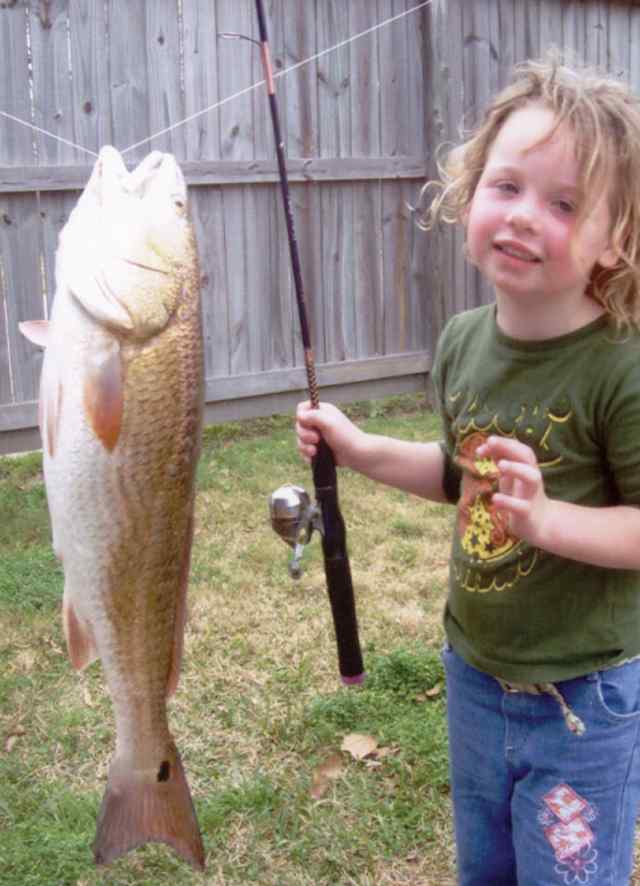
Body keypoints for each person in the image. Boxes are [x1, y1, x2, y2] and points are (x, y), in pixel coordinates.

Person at [296, 55, 640, 886]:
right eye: (507, 186)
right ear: (468, 191)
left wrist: (548, 519)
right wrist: (360, 448)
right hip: (474, 673)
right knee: (482, 868)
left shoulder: (619, 366)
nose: (525, 217)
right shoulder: (462, 342)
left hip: (583, 698)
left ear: (615, 237)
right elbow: (458, 474)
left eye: (563, 204)